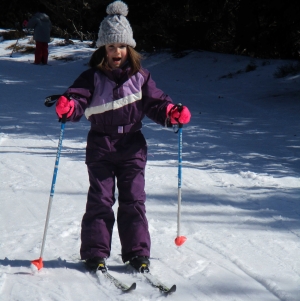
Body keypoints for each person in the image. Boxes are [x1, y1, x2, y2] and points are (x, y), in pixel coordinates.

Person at [54, 0, 191, 272]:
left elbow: (155, 103)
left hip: (132, 146)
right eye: (111, 46)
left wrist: (172, 113)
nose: (116, 51)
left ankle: (137, 253)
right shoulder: (91, 77)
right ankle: (95, 253)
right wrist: (68, 107)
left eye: (121, 46)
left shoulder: (141, 77)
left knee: (133, 200)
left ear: (130, 48)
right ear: (103, 49)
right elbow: (77, 100)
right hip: (101, 145)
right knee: (101, 200)